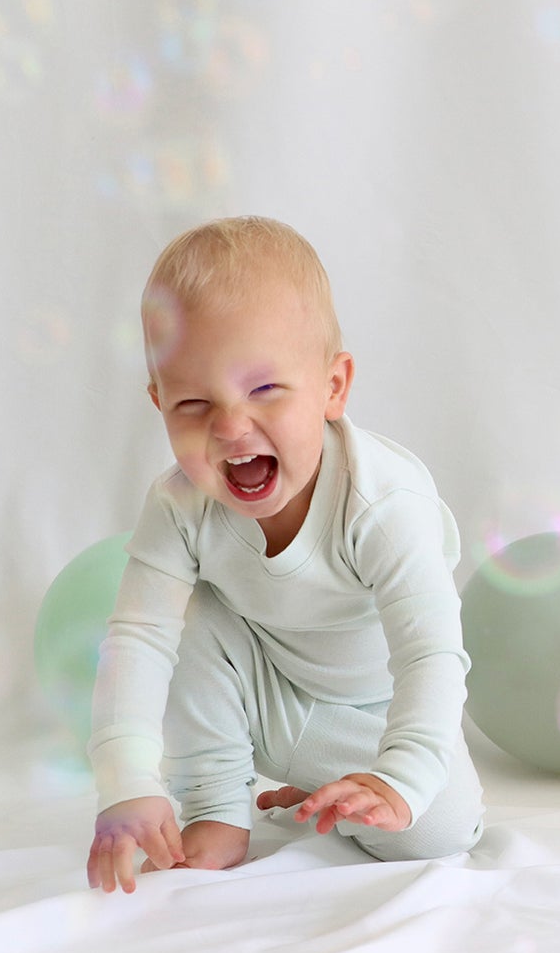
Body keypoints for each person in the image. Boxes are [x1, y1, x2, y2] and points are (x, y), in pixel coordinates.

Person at [85, 216, 482, 893]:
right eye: (192, 403)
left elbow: (431, 653)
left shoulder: (381, 503)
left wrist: (401, 774)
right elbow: (138, 641)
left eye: (264, 389)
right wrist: (126, 783)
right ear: (159, 404)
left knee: (441, 833)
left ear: (333, 386)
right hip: (255, 690)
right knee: (186, 616)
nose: (231, 428)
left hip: (374, 710)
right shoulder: (180, 506)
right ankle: (216, 801)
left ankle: (331, 775)